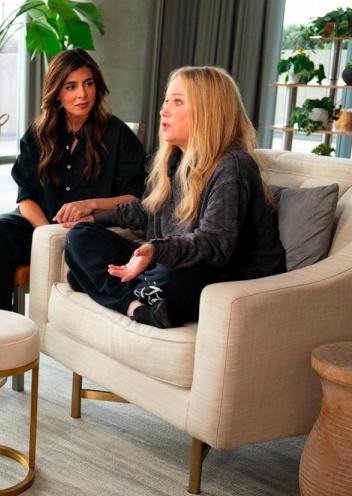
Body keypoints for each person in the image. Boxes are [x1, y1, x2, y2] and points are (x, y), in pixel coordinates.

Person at [0, 48, 147, 392]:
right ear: (57, 93)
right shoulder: (39, 134)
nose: (81, 94)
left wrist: (89, 204)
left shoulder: (117, 136)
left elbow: (135, 199)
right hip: (41, 225)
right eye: (70, 86)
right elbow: (25, 197)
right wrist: (45, 232)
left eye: (88, 84)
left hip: (90, 233)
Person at [62, 66, 286, 329]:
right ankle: (137, 307)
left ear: (208, 111)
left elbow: (215, 244)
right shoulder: (175, 159)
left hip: (224, 274)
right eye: (167, 100)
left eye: (177, 102)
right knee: (80, 237)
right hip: (171, 261)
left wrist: (157, 250)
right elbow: (147, 212)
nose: (163, 110)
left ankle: (103, 286)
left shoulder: (233, 166)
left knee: (170, 277)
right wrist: (95, 216)